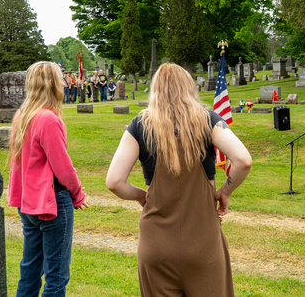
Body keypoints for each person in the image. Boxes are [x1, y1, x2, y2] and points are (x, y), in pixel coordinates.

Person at [106, 63, 252, 296]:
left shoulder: (139, 127)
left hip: (156, 247)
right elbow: (243, 160)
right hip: (203, 246)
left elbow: (114, 181)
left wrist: (142, 196)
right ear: (188, 88)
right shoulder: (208, 121)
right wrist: (225, 192)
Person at [7, 61, 88, 296]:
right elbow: (63, 167)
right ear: (51, 83)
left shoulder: (22, 115)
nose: (64, 82)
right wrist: (78, 193)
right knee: (56, 276)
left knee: (29, 271)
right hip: (52, 204)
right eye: (60, 78)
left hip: (28, 204)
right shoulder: (49, 119)